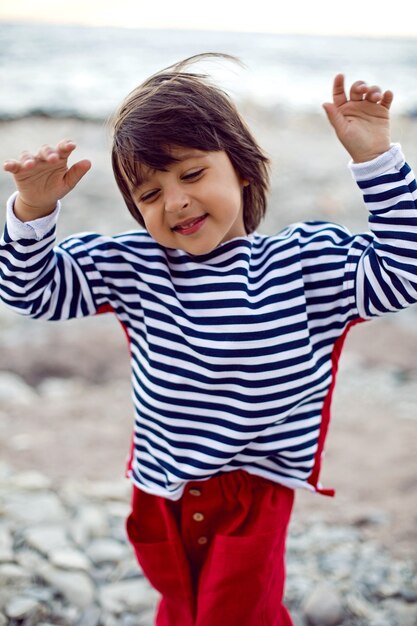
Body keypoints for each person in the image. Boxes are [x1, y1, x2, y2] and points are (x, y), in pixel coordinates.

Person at [1, 53, 417, 626]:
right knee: (180, 607)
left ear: (242, 168)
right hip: (161, 485)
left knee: (238, 614)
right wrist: (34, 209)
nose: (174, 202)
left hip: (254, 492)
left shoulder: (302, 262)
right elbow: (33, 293)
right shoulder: (138, 264)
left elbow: (403, 274)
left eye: (192, 175)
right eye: (149, 194)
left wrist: (375, 158)